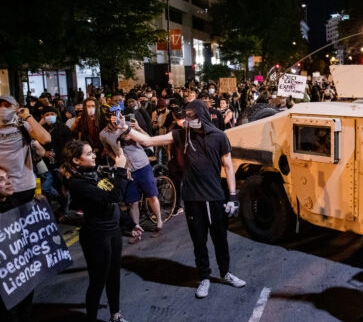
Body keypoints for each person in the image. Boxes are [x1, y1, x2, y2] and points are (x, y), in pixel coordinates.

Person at [122, 99, 247, 298]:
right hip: (192, 199)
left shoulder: (219, 137)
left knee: (220, 240)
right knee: (199, 242)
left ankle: (225, 273)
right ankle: (204, 277)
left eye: (192, 116)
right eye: (186, 116)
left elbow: (229, 166)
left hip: (215, 197)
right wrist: (127, 129)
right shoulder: (181, 135)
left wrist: (232, 195)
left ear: (203, 116)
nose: (188, 120)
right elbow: (149, 141)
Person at [63, 141, 143, 322]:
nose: (94, 156)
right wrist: (121, 171)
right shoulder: (77, 183)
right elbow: (114, 195)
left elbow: (112, 204)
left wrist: (130, 224)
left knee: (114, 276)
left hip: (112, 232)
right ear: (76, 160)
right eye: (89, 153)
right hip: (96, 236)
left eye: (93, 152)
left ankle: (115, 315)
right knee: (98, 281)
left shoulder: (95, 174)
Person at [99, 109, 163, 243]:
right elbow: (108, 150)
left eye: (115, 117)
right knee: (132, 201)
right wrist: (117, 159)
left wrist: (138, 128)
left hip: (142, 165)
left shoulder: (128, 125)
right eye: (111, 119)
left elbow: (147, 139)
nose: (114, 121)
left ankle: (159, 223)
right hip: (126, 169)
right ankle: (136, 230)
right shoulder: (104, 134)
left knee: (151, 195)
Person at [0, 95, 51, 205]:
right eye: (0, 106)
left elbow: (46, 139)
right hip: (1, 188)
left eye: (7, 105)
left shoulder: (22, 125)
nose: (3, 109)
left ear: (16, 107)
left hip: (24, 186)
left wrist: (27, 116)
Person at [0, 166, 35, 321]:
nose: (8, 182)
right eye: (1, 180)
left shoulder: (14, 202)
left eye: (8, 177)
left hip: (22, 272)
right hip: (5, 279)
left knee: (25, 309)